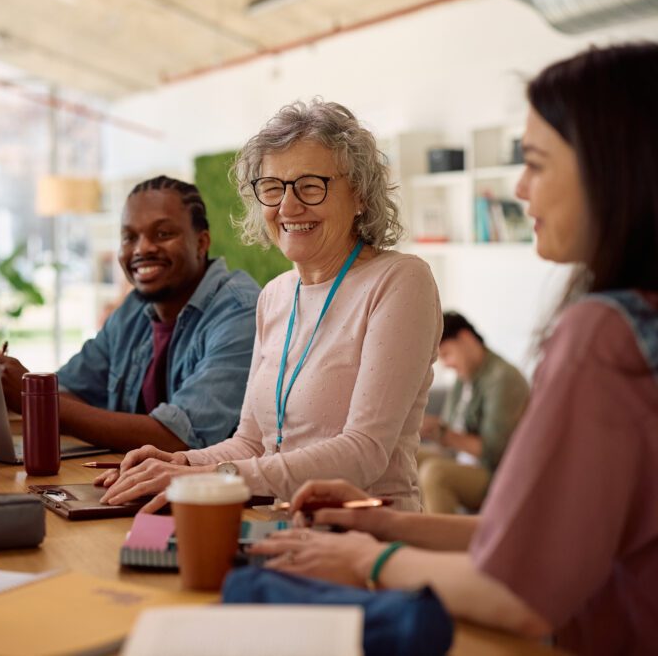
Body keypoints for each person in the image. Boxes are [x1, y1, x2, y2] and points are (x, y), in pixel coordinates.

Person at [249, 43, 658, 654]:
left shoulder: (601, 334)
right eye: (273, 187)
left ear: (614, 169)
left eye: (537, 164)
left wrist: (372, 558)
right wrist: (386, 524)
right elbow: (547, 541)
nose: (520, 188)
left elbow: (521, 592)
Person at [98, 99, 441, 512]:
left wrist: (205, 476)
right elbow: (251, 443)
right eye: (273, 188)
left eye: (311, 185)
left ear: (361, 195)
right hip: (275, 530)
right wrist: (177, 462)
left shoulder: (400, 281)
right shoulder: (275, 294)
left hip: (364, 540)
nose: (288, 206)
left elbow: (364, 452)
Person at [0, 176, 260, 452]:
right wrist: (15, 386)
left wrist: (36, 400)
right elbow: (71, 390)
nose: (142, 248)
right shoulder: (133, 309)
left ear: (201, 242)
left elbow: (179, 438)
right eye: (129, 237)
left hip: (214, 492)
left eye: (163, 234)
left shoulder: (241, 313)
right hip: (129, 481)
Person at [418, 311, 529, 513]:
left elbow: (494, 451)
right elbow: (449, 429)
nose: (446, 363)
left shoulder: (503, 379)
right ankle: (399, 532)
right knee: (407, 456)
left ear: (466, 338)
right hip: (460, 461)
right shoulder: (464, 377)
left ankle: (441, 543)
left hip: (494, 473)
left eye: (447, 354)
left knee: (435, 473)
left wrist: (443, 434)